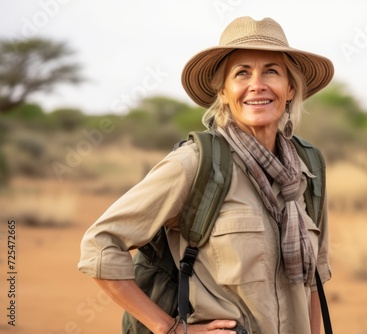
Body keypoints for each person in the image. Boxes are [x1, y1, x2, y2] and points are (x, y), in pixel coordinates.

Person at [78, 16, 334, 334]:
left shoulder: (307, 167)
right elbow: (100, 243)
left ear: (290, 87)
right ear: (224, 92)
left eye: (272, 71)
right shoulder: (195, 164)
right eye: (242, 73)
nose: (258, 84)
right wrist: (170, 328)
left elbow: (314, 278)